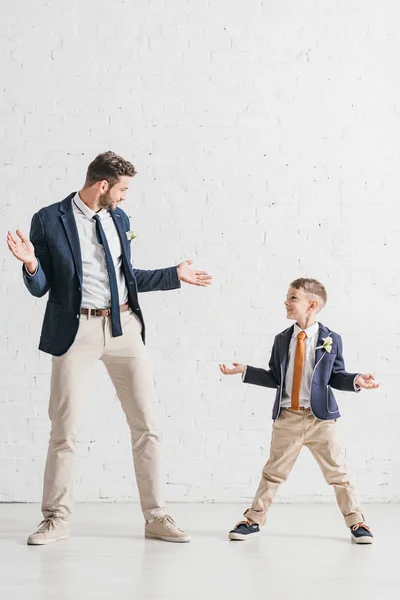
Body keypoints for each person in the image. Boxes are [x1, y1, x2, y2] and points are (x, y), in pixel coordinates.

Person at [7, 151, 212, 545]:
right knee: (64, 430)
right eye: (122, 189)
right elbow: (40, 287)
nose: (124, 197)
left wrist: (175, 274)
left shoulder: (119, 218)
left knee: (147, 426)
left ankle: (156, 516)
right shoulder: (49, 219)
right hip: (75, 331)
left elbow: (126, 277)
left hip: (123, 328)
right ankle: (56, 519)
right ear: (103, 185)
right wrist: (32, 264)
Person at [220, 278, 378, 545]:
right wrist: (245, 371)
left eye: (293, 297)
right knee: (272, 472)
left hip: (321, 420)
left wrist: (355, 380)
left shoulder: (331, 339)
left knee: (338, 473)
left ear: (312, 304)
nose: (286, 302)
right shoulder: (282, 340)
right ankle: (253, 520)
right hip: (287, 417)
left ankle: (357, 522)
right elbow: (274, 377)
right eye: (288, 296)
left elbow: (335, 376)